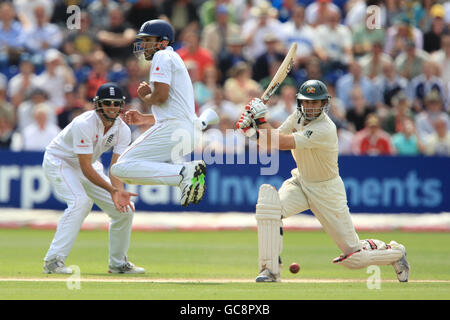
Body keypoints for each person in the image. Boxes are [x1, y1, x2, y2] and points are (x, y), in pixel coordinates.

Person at [236, 79, 409, 283]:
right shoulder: (297, 116)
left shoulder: (325, 128)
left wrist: (261, 119)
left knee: (355, 257)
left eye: (315, 102)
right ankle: (270, 270)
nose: (310, 107)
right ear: (301, 103)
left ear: (323, 103)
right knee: (269, 209)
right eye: (307, 102)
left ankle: (395, 252)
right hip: (300, 182)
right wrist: (252, 132)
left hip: (326, 190)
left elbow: (281, 142)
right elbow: (271, 141)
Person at [42, 82, 143, 274]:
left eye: (116, 103)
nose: (112, 108)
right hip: (60, 160)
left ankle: (118, 263)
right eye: (107, 103)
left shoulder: (123, 130)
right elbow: (85, 166)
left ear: (122, 106)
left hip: (87, 163)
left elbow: (116, 167)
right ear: (98, 104)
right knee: (80, 201)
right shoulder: (84, 123)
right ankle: (53, 261)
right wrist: (112, 190)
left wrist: (118, 192)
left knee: (125, 210)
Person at [110, 19, 207, 207]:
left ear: (162, 42)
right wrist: (146, 118)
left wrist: (145, 97)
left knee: (121, 168)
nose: (144, 45)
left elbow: (161, 97)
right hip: (186, 129)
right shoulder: (174, 58)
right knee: (131, 166)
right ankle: (183, 174)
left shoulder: (161, 56)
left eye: (148, 40)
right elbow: (173, 105)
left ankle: (183, 172)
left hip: (174, 129)